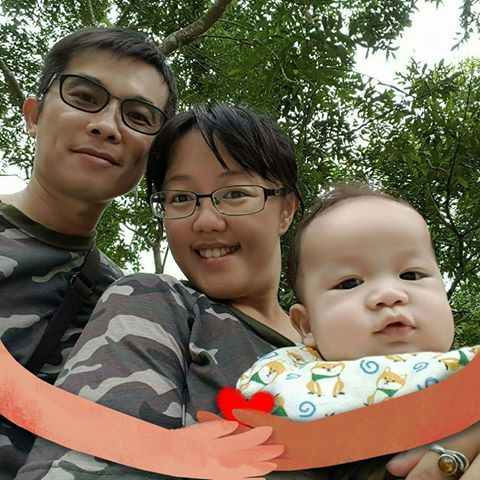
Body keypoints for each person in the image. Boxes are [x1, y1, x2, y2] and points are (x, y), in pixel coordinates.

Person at [15, 103, 330, 480]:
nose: (207, 221)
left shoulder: (339, 336)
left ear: (286, 210)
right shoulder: (154, 304)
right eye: (180, 198)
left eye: (234, 193)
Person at [0, 25, 177, 478]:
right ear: (34, 114)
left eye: (139, 116)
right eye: (84, 97)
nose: (107, 126)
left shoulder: (127, 310)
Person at [237, 183, 478, 422]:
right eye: (350, 283)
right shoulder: (287, 374)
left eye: (411, 275)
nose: (389, 294)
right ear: (307, 326)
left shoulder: (469, 370)